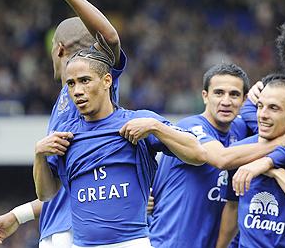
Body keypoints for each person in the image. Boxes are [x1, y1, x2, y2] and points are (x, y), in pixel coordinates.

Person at [0, 0, 126, 247]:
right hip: (57, 228)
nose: (80, 88)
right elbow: (61, 188)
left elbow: (109, 38)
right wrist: (18, 215)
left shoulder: (94, 84)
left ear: (58, 49)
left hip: (81, 230)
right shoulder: (65, 99)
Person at [34, 48, 207, 248]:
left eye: (85, 80)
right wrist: (39, 155)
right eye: (71, 83)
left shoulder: (138, 121)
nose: (77, 91)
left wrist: (155, 127)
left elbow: (198, 154)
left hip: (131, 242)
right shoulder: (65, 134)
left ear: (107, 81)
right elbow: (46, 194)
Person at [148, 64, 285, 248]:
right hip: (171, 242)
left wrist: (271, 88)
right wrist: (283, 140)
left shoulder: (242, 130)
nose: (226, 101)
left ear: (243, 100)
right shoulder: (190, 128)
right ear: (205, 96)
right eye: (218, 93)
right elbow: (222, 159)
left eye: (234, 94)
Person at [226, 79, 285, 247]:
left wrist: (276, 171)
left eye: (273, 108)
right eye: (260, 106)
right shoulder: (241, 151)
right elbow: (231, 208)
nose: (263, 115)